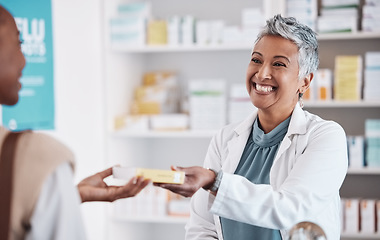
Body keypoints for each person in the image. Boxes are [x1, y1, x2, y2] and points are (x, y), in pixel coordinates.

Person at [156, 15, 348, 239]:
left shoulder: (325, 136)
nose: (262, 74)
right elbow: (202, 227)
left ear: (304, 81)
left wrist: (214, 181)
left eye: (278, 64)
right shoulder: (225, 138)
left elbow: (291, 210)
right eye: (256, 60)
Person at [0, 5, 150, 240]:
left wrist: (68, 196)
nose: (23, 60)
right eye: (18, 44)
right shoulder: (37, 157)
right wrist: (54, 192)